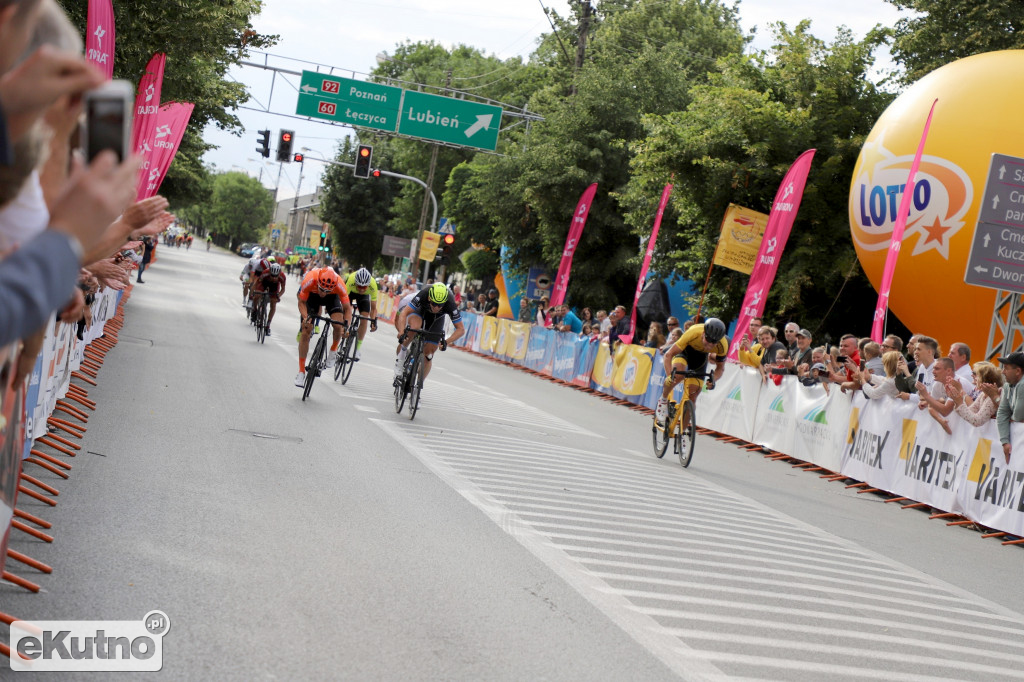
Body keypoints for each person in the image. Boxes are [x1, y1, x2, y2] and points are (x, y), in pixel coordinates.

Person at [655, 317, 728, 424]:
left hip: (700, 358)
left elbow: (720, 368)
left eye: (713, 343)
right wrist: (669, 376)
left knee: (693, 398)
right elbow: (668, 355)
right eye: (708, 341)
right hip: (685, 350)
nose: (710, 346)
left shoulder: (723, 345)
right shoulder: (693, 332)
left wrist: (713, 380)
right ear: (703, 333)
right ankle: (663, 399)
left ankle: (682, 435)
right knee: (677, 377)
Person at [393, 282, 466, 388]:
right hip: (420, 311)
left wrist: (446, 341)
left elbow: (461, 329)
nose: (436, 307)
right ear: (429, 298)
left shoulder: (450, 303)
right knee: (414, 328)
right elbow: (404, 313)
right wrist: (401, 331)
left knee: (429, 354)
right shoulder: (424, 293)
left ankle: (418, 387)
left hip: (437, 319)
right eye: (434, 303)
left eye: (440, 305)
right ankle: (400, 361)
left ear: (444, 302)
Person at [294, 267, 352, 388]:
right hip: (311, 297)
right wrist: (305, 318)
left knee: (338, 325)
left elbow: (347, 308)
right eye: (322, 289)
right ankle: (301, 372)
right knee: (306, 331)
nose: (323, 293)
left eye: (327, 290)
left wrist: (346, 327)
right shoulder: (310, 279)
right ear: (318, 282)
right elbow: (301, 302)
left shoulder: (340, 284)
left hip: (332, 299)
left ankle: (333, 350)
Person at [948, 362, 1003, 429]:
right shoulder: (983, 394)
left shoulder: (992, 395)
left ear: (984, 379)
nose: (974, 377)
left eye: (977, 375)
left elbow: (977, 421)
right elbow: (971, 411)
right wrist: (957, 401)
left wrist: (960, 403)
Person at [344, 266, 378, 360]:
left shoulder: (373, 284)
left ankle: (357, 349)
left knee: (364, 319)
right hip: (352, 296)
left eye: (364, 287)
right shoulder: (351, 280)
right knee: (348, 310)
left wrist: (373, 322)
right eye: (359, 286)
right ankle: (346, 330)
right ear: (356, 283)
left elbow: (373, 308)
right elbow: (344, 301)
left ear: (368, 284)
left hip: (363, 298)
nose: (362, 289)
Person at [996, 352, 1024, 463]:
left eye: (1006, 368)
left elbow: (1017, 415)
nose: (1003, 372)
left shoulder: (1022, 385)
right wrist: (1005, 441)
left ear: (1018, 371)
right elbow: (1002, 412)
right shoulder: (1007, 385)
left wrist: (1012, 418)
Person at [250, 261, 286, 336]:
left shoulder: (282, 277)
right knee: (257, 295)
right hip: (264, 283)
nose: (273, 278)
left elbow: (283, 289)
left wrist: (278, 296)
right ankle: (255, 310)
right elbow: (256, 283)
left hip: (275, 286)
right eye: (272, 275)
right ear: (269, 272)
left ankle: (268, 324)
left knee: (273, 304)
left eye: (276, 276)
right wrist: (252, 293)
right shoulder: (265, 273)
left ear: (279, 274)